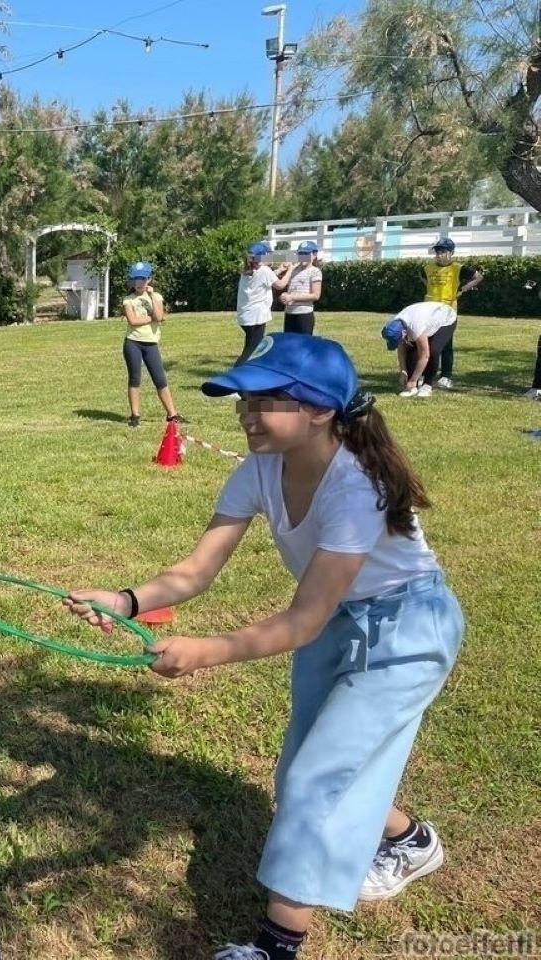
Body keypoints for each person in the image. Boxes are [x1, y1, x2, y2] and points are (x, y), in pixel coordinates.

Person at [65, 333, 463, 960]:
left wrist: (209, 651)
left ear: (320, 410)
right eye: (243, 399)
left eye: (268, 400)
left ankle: (276, 947)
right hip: (338, 624)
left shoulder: (355, 487)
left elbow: (302, 619)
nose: (248, 414)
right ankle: (411, 839)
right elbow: (196, 572)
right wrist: (126, 599)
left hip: (406, 632)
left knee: (314, 779)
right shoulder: (258, 469)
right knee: (311, 767)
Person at [120, 261, 186, 428]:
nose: (139, 283)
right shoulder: (128, 299)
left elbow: (160, 315)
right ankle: (135, 415)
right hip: (133, 342)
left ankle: (172, 414)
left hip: (151, 343)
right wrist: (153, 319)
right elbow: (133, 321)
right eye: (135, 279)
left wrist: (150, 297)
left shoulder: (156, 297)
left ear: (149, 279)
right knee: (135, 378)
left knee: (160, 379)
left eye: (142, 279)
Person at [423, 238, 483, 389]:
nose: (439, 255)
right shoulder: (427, 268)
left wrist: (462, 289)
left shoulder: (458, 268)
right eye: (437, 252)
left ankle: (446, 375)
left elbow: (478, 277)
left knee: (446, 344)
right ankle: (426, 372)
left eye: (443, 251)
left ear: (451, 253)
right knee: (427, 342)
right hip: (429, 309)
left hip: (448, 310)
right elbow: (423, 277)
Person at [382, 301, 459, 398]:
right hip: (426, 319)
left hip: (446, 317)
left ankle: (427, 385)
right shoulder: (396, 324)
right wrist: (403, 371)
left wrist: (413, 379)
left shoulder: (416, 326)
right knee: (410, 349)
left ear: (404, 332)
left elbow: (425, 356)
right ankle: (412, 387)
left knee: (433, 350)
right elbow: (402, 349)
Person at [236, 242, 282, 364]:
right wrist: (290, 270)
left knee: (250, 345)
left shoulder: (248, 269)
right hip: (256, 317)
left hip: (246, 317)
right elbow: (280, 285)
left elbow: (265, 279)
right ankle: (235, 373)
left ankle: (245, 373)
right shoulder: (265, 270)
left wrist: (280, 270)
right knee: (251, 350)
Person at [273, 241, 323, 335]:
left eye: (306, 254)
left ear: (314, 254)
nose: (302, 256)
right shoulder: (293, 270)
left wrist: (292, 297)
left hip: (304, 315)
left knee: (304, 345)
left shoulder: (315, 272)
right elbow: (278, 283)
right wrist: (283, 296)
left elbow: (316, 295)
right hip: (289, 313)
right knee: (290, 344)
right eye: (300, 253)